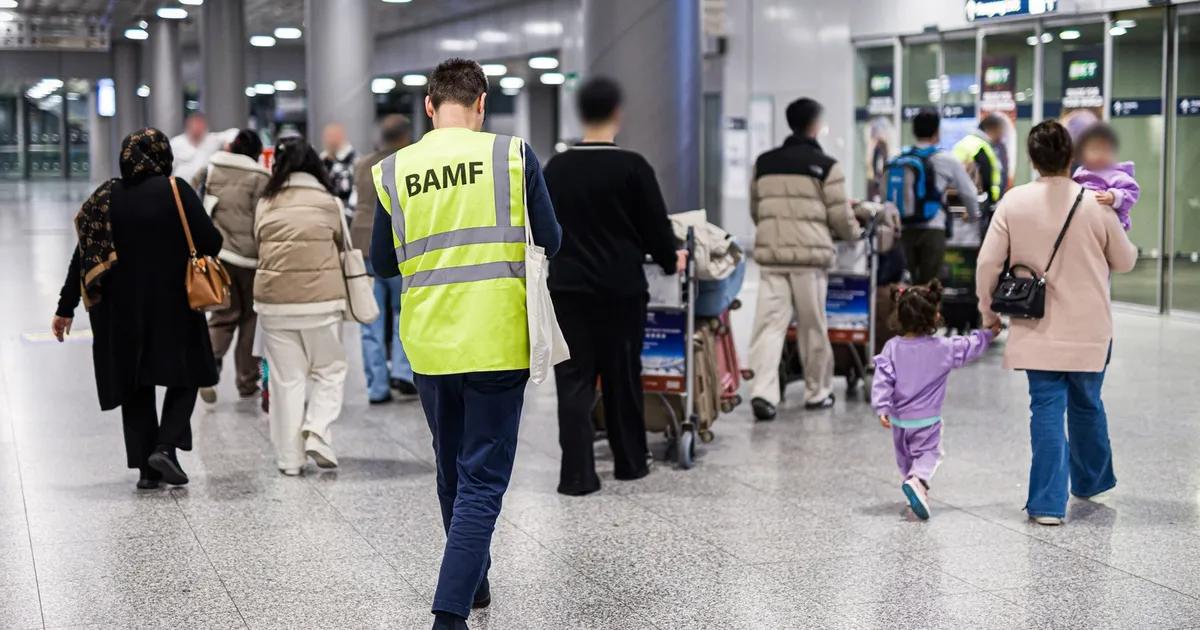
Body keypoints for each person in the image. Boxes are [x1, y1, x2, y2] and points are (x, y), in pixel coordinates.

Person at [370, 58, 560, 630]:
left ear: (429, 105)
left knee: (452, 471)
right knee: (482, 480)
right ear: (481, 104)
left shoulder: (394, 169)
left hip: (430, 343)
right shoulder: (512, 155)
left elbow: (382, 264)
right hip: (497, 338)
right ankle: (449, 615)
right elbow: (551, 239)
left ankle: (474, 582)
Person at [976, 120, 1138, 526]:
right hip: (1091, 329)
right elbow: (1125, 261)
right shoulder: (1095, 202)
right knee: (1087, 403)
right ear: (1071, 157)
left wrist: (988, 314)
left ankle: (1047, 504)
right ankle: (1091, 481)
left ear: (1033, 159)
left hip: (1037, 327)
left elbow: (987, 264)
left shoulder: (1014, 202)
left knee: (1046, 408)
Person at [52, 128, 222, 489]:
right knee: (190, 372)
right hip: (175, 304)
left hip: (120, 310)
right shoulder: (176, 190)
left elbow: (83, 255)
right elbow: (212, 242)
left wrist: (65, 307)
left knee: (135, 384)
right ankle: (165, 446)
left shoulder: (105, 197)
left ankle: (147, 471)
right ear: (163, 155)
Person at [542, 77, 685, 496]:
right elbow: (656, 229)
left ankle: (576, 475)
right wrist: (669, 259)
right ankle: (629, 462)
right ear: (618, 114)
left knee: (573, 382)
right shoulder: (633, 166)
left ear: (580, 114)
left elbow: (542, 229)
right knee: (622, 377)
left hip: (568, 290)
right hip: (621, 291)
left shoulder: (556, 168)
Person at [747, 97, 862, 421]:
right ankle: (817, 392)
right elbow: (840, 217)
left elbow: (757, 211)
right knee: (812, 326)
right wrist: (855, 233)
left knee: (769, 327)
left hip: (773, 259)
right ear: (815, 125)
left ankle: (763, 392)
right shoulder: (827, 166)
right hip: (809, 261)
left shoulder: (764, 163)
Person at [254, 137, 349, 476]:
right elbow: (343, 244)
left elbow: (258, 242)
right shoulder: (329, 202)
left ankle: (290, 460)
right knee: (330, 370)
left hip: (274, 303)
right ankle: (318, 431)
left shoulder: (265, 202)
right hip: (322, 302)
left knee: (286, 380)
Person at [872, 279, 998, 520]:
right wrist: (988, 334)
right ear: (934, 317)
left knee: (906, 459)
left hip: (898, 420)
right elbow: (969, 346)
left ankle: (913, 486)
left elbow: (882, 378)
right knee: (931, 453)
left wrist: (883, 406)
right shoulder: (943, 347)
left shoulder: (891, 347)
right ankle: (918, 482)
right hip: (927, 420)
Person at [193, 130, 270, 404]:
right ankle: (247, 382)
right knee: (250, 319)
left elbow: (193, 202)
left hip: (219, 255)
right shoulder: (261, 178)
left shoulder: (210, 170)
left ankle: (208, 367)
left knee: (222, 315)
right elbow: (265, 218)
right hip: (251, 260)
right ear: (257, 153)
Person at [351, 115, 416, 403]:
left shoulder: (363, 164)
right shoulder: (408, 162)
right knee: (404, 312)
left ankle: (376, 387)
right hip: (398, 244)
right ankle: (403, 373)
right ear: (405, 137)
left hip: (363, 246)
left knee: (370, 318)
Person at [901, 109, 981, 285]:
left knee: (906, 284)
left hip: (904, 229)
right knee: (929, 286)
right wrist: (973, 216)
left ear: (913, 131)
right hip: (933, 229)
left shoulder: (901, 159)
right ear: (937, 132)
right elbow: (969, 192)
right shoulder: (945, 159)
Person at [1072, 122, 1139, 233]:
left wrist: (1113, 196)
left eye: (1106, 150)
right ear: (1081, 153)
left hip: (1110, 227)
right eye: (1095, 149)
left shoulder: (1116, 174)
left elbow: (1132, 190)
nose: (1100, 155)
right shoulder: (1079, 173)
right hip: (1085, 224)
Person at [171, 114, 238, 184]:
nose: (197, 127)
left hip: (204, 185)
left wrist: (229, 143)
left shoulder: (212, 140)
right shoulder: (176, 143)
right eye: (195, 124)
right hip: (180, 185)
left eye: (200, 124)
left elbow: (234, 133)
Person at [953, 114, 1004, 205]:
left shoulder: (964, 143)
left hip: (956, 198)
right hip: (978, 200)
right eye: (998, 132)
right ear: (991, 129)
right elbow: (986, 175)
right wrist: (990, 199)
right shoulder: (981, 147)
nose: (1000, 136)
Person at [322, 123, 357, 217]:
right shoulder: (322, 161)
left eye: (333, 137)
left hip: (345, 214)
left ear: (342, 137)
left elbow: (356, 192)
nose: (330, 140)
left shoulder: (354, 162)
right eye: (327, 137)